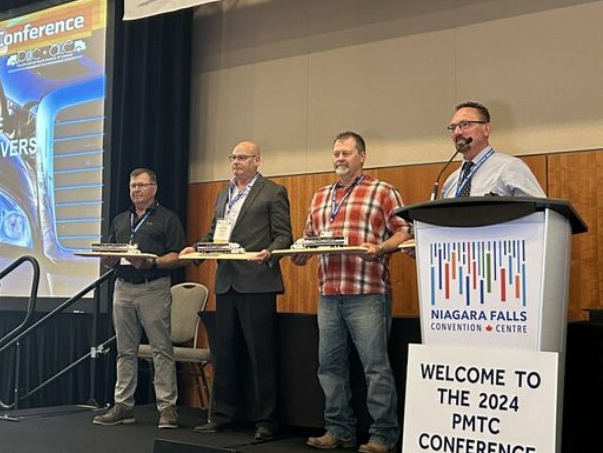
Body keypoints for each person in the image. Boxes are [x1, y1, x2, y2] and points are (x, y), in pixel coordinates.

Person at [292, 132, 411, 453]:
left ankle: (383, 436)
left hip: (368, 292)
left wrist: (381, 248)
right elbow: (308, 237)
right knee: (329, 367)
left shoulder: (382, 191)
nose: (339, 159)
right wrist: (300, 252)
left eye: (346, 153)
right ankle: (339, 429)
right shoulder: (320, 196)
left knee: (375, 367)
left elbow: (405, 230)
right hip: (328, 292)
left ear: (362, 157)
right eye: (335, 154)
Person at [183, 141, 292, 441]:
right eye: (232, 157)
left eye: (242, 157)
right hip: (226, 281)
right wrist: (198, 248)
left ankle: (267, 421)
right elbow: (215, 234)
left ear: (257, 160)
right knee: (226, 351)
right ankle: (222, 415)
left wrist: (270, 253)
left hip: (257, 281)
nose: (236, 162)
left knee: (261, 354)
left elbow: (284, 235)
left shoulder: (272, 192)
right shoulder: (223, 194)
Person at [92, 168, 185, 429]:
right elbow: (112, 251)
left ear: (154, 188)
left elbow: (177, 256)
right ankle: (123, 405)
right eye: (133, 186)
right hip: (122, 287)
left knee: (161, 349)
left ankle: (167, 408)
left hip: (153, 287)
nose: (136, 190)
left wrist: (150, 264)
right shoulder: (121, 219)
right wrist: (108, 259)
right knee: (124, 350)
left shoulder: (167, 219)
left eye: (142, 185)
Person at [442, 101, 545, 198]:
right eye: (452, 127)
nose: (457, 132)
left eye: (465, 124)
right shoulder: (451, 182)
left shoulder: (510, 168)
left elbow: (539, 211)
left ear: (486, 129)